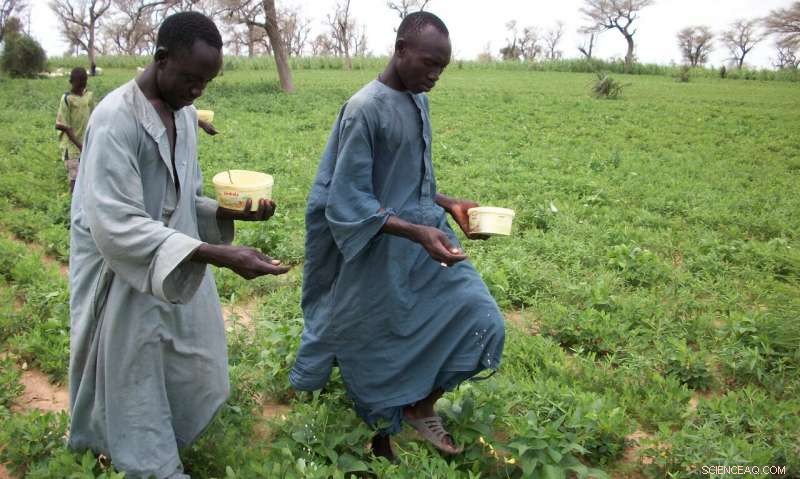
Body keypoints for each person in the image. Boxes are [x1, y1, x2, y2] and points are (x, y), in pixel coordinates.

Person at [68, 12, 289, 478]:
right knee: (133, 376)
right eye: (191, 78)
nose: (198, 91)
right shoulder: (114, 120)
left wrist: (230, 213)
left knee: (199, 367)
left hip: (174, 262)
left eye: (207, 82)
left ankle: (159, 442)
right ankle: (152, 465)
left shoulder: (184, 116)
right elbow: (117, 223)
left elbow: (183, 199)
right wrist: (217, 255)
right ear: (162, 58)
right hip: (122, 270)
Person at [290, 11, 505, 461]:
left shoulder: (418, 100)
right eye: (429, 63)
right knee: (377, 336)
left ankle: (420, 404)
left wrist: (449, 204)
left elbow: (409, 183)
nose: (435, 75)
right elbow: (347, 198)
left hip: (424, 238)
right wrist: (413, 231)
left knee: (482, 317)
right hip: (375, 245)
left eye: (442, 67)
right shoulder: (364, 109)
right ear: (401, 50)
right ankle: (380, 431)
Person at [55, 66, 93, 193]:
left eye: (83, 83)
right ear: (71, 82)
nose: (81, 87)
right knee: (75, 179)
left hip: (86, 143)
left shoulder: (88, 96)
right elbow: (60, 125)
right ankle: (73, 203)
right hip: (72, 147)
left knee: (87, 176)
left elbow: (94, 116)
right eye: (78, 84)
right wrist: (79, 145)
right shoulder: (67, 99)